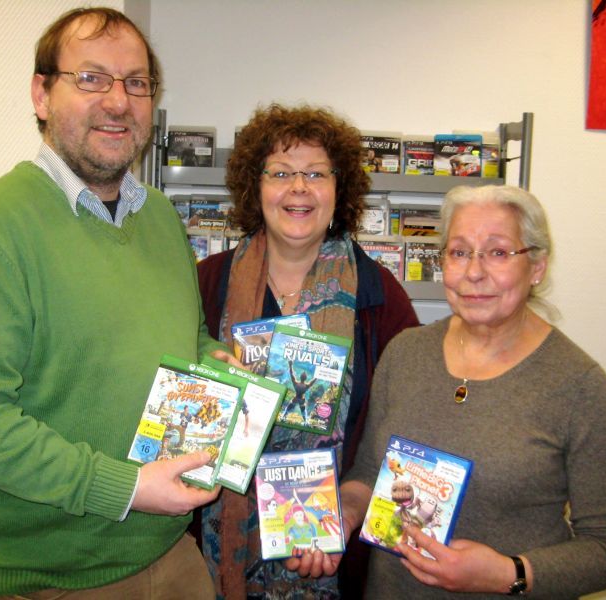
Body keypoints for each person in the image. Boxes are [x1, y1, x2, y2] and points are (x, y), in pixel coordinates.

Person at [0, 7, 232, 599]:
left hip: (173, 553)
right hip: (51, 580)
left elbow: (183, 335)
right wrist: (124, 488)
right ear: (41, 94)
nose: (118, 101)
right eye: (91, 78)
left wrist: (216, 360)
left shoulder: (160, 217)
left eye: (136, 82)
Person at [289, 184, 606, 598]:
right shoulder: (406, 352)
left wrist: (508, 573)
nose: (474, 272)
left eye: (498, 252)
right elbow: (369, 472)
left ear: (537, 267)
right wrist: (342, 516)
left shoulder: (577, 384)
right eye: (459, 252)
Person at [196, 103, 420, 599]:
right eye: (281, 173)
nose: (299, 187)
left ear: (340, 189)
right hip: (218, 548)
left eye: (316, 173)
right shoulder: (207, 283)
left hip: (337, 551)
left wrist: (351, 506)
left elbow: (404, 430)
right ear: (255, 187)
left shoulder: (379, 296)